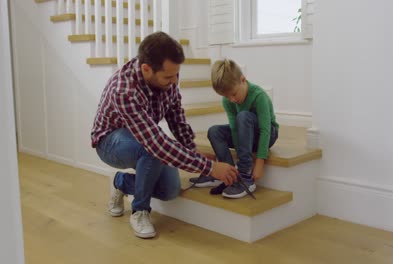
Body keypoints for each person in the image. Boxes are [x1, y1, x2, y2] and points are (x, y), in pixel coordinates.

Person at [91, 32, 238, 239]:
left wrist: (191, 149)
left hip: (145, 140)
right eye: (169, 77)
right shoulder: (123, 90)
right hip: (109, 142)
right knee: (153, 148)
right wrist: (210, 168)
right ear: (146, 69)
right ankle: (139, 211)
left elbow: (176, 117)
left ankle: (121, 182)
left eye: (176, 75)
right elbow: (155, 144)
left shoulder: (168, 78)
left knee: (170, 190)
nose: (174, 81)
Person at [189, 59, 279, 198]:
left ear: (243, 80)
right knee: (214, 131)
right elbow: (235, 130)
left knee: (243, 116)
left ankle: (244, 176)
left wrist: (260, 162)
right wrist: (240, 151)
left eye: (234, 94)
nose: (231, 99)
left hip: (267, 135)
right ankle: (228, 175)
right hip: (245, 133)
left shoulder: (259, 96)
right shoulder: (228, 101)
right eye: (226, 96)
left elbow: (265, 131)